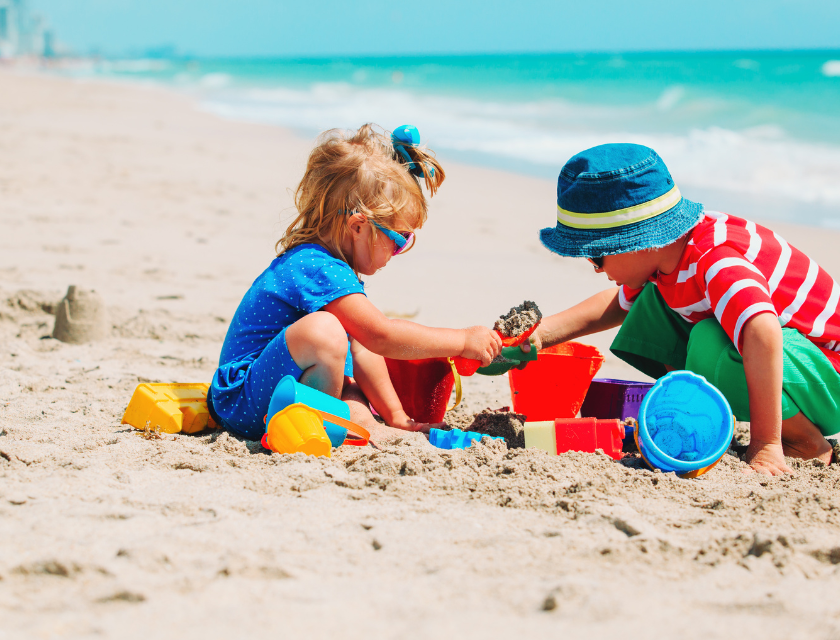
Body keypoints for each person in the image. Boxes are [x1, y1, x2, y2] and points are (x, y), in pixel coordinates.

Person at [529, 142, 840, 476]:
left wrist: (765, 443)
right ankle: (686, 409)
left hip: (824, 373)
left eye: (597, 255)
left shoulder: (713, 257)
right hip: (794, 370)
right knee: (649, 306)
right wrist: (537, 337)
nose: (595, 268)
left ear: (636, 241)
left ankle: (805, 442)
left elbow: (762, 331)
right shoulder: (666, 258)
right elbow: (616, 306)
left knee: (708, 338)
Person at [208, 123, 502, 441]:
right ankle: (314, 424)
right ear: (358, 226)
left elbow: (364, 350)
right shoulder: (315, 266)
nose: (399, 251)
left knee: (353, 380)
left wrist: (398, 417)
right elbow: (381, 336)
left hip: (278, 387)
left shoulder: (334, 268)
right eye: (399, 240)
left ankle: (372, 429)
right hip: (243, 402)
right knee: (326, 331)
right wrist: (461, 340)